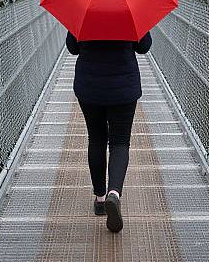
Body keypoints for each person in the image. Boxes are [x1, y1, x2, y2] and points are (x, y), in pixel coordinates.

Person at [65, 31, 152, 233]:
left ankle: (100, 198)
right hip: (123, 89)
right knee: (120, 143)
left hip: (90, 88)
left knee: (96, 140)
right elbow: (144, 46)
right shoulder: (130, 10)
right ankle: (115, 193)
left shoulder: (83, 9)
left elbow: (72, 48)